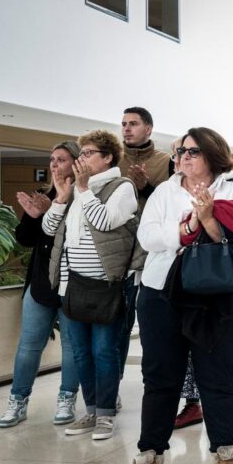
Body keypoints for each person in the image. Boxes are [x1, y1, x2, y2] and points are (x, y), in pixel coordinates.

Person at [131, 127, 233, 464]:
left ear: (211, 155)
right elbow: (147, 238)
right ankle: (149, 459)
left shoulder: (232, 191)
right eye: (180, 152)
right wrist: (189, 225)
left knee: (218, 378)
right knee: (160, 378)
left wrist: (207, 219)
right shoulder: (164, 190)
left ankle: (225, 457)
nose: (183, 158)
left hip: (216, 297)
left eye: (192, 151)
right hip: (161, 293)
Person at [42, 130, 140, 441]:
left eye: (88, 154)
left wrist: (82, 189)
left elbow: (105, 221)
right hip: (71, 287)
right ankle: (92, 410)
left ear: (108, 157)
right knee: (81, 353)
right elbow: (48, 229)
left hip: (105, 287)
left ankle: (107, 415)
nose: (81, 159)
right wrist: (60, 197)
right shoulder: (73, 190)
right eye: (81, 154)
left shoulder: (122, 187)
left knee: (104, 352)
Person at [0, 141, 82, 429]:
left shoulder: (85, 196)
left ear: (76, 162)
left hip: (73, 286)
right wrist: (35, 217)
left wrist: (54, 211)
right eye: (52, 159)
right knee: (29, 346)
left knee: (72, 347)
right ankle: (18, 401)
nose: (55, 165)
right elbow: (25, 239)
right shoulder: (42, 195)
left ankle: (67, 398)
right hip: (40, 286)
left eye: (61, 159)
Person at [117, 107, 172, 386]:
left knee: (152, 324)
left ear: (148, 128)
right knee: (117, 327)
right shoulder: (113, 160)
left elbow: (171, 209)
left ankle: (157, 383)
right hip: (115, 253)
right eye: (124, 123)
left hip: (152, 255)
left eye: (134, 124)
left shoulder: (167, 162)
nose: (127, 128)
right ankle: (110, 388)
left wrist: (145, 188)